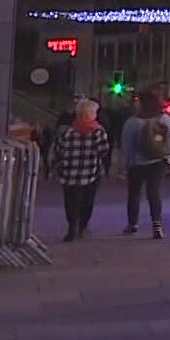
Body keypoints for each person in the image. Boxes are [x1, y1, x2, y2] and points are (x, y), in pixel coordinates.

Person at [50, 98, 111, 242]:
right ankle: (82, 226)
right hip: (90, 172)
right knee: (87, 201)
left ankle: (72, 226)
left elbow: (58, 151)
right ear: (91, 114)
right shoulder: (98, 132)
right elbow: (104, 151)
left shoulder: (67, 132)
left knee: (71, 201)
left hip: (69, 173)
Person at [121, 88, 170, 238]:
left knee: (134, 193)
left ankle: (132, 224)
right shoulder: (164, 119)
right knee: (154, 193)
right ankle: (157, 225)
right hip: (158, 161)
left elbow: (127, 146)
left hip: (137, 164)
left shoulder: (132, 122)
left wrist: (125, 165)